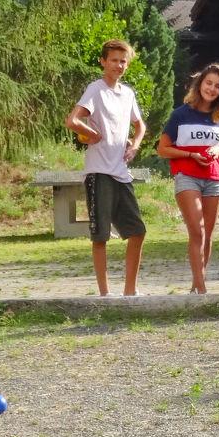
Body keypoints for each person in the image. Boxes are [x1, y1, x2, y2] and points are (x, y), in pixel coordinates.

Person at [64, 39, 146, 296]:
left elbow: (140, 125)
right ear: (103, 61)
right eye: (114, 60)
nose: (119, 65)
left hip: (122, 172)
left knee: (138, 232)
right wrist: (91, 133)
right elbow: (72, 120)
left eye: (123, 61)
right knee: (101, 236)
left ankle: (130, 292)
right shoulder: (95, 89)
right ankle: (104, 295)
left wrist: (135, 145)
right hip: (98, 172)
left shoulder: (128, 93)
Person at [155, 64, 219, 294]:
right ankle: (201, 287)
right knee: (197, 231)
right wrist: (190, 154)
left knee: (208, 234)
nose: (212, 89)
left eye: (217, 86)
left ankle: (197, 284)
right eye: (208, 83)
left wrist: (215, 152)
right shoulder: (181, 114)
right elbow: (162, 149)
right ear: (200, 83)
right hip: (187, 175)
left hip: (213, 177)